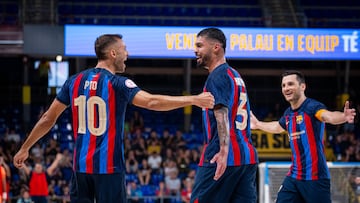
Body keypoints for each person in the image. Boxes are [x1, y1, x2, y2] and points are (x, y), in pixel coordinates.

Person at [13, 34, 214, 203]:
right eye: (124, 50)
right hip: (108, 168)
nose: (127, 54)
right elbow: (152, 102)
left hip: (80, 169)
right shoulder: (117, 83)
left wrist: (25, 148)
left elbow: (48, 118)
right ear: (113, 53)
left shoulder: (74, 81)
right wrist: (194, 99)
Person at [250, 70, 356, 203]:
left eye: (290, 84)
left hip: (316, 178)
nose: (286, 88)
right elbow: (277, 127)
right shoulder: (288, 114)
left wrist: (343, 117)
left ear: (302, 87)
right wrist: (258, 124)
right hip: (294, 177)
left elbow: (327, 116)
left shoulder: (312, 107)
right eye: (283, 85)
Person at [190, 27, 258, 203]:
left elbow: (221, 112)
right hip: (246, 157)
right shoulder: (235, 75)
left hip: (223, 156)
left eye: (199, 45)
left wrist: (223, 151)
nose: (195, 50)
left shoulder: (217, 76)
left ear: (216, 47)